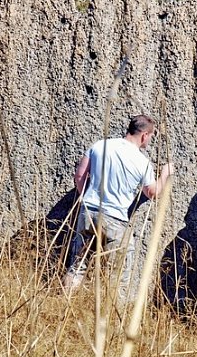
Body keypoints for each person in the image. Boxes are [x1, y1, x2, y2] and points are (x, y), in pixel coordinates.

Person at [64, 114, 174, 301]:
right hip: (115, 220)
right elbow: (153, 193)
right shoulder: (142, 162)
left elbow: (80, 176)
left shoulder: (100, 145)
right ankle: (111, 318)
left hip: (88, 212)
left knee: (77, 266)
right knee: (117, 274)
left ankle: (64, 304)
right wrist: (165, 174)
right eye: (151, 136)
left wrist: (87, 196)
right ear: (144, 135)